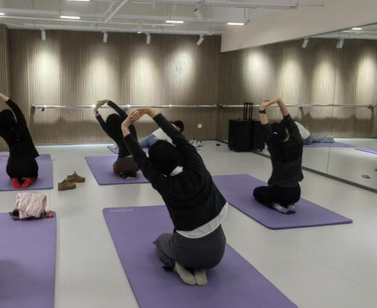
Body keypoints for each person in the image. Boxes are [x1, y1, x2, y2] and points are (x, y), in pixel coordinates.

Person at [121, 107, 228, 286]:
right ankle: (200, 269)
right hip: (217, 254)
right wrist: (150, 111)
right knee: (200, 238)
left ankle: (177, 266)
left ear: (157, 167)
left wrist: (125, 127)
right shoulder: (197, 166)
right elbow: (177, 137)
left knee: (161, 240)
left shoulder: (163, 184)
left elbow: (140, 159)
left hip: (187, 251)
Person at [254, 97, 304, 214]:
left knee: (257, 191)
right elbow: (289, 120)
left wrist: (262, 109)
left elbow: (265, 128)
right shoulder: (298, 142)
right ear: (287, 132)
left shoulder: (274, 147)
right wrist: (279, 101)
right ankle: (291, 204)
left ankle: (275, 205)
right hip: (296, 193)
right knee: (287, 194)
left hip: (278, 193)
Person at [0, 92, 39, 189]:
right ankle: (29, 179)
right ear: (13, 118)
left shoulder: (3, 131)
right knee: (33, 172)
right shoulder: (22, 125)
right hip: (29, 168)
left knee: (13, 172)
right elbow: (15, 108)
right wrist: (0, 95)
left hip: (12, 169)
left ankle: (14, 179)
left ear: (0, 123)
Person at [95, 99, 139, 179]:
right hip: (138, 163)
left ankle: (124, 173)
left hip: (120, 165)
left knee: (115, 166)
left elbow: (104, 126)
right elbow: (121, 112)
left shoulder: (113, 133)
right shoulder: (130, 127)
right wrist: (108, 101)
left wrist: (96, 111)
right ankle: (131, 172)